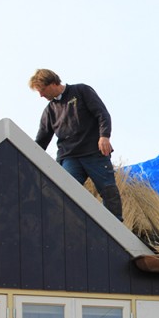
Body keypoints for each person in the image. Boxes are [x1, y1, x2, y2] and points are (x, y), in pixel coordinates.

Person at [29, 69, 123, 221]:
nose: (41, 95)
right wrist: (26, 157)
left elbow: (102, 114)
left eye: (42, 90)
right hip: (69, 157)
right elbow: (41, 140)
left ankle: (115, 224)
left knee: (108, 190)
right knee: (65, 192)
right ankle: (72, 226)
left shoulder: (81, 91)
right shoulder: (50, 111)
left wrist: (104, 136)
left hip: (94, 152)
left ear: (52, 83)